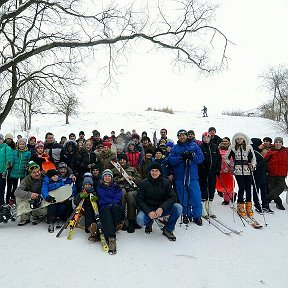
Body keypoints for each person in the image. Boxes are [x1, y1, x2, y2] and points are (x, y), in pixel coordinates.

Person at [136, 162, 182, 241]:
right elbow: (139, 200)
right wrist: (148, 212)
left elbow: (173, 197)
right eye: (152, 170)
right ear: (150, 172)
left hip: (161, 209)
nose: (154, 173)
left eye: (156, 170)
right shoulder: (144, 183)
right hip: (149, 209)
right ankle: (149, 223)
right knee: (140, 220)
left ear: (160, 172)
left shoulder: (166, 182)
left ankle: (168, 229)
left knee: (178, 207)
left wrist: (162, 208)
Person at [168, 129, 204, 226]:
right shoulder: (175, 148)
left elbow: (201, 158)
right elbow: (171, 160)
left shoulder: (194, 146)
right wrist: (180, 158)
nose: (182, 137)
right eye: (180, 135)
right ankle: (186, 215)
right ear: (178, 137)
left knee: (196, 196)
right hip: (180, 176)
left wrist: (193, 156)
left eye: (183, 135)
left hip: (192, 176)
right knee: (183, 197)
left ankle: (197, 216)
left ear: (187, 136)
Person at [225, 132, 256, 217]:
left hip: (248, 170)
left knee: (249, 188)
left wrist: (252, 165)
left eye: (241, 139)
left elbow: (253, 158)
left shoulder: (249, 147)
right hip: (238, 170)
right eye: (237, 139)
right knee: (241, 187)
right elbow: (226, 157)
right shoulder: (232, 147)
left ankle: (249, 207)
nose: (239, 140)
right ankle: (240, 205)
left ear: (244, 139)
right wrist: (231, 164)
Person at [112, 154, 142, 233]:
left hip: (131, 189)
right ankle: (121, 219)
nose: (122, 161)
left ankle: (131, 220)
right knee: (122, 193)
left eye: (124, 159)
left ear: (126, 160)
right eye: (120, 160)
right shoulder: (114, 170)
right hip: (120, 188)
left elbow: (140, 180)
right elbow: (110, 180)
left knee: (131, 196)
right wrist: (119, 180)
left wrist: (133, 179)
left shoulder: (132, 169)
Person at [96, 169, 123, 255]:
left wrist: (112, 203)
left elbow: (117, 197)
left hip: (115, 206)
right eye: (105, 176)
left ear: (111, 177)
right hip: (104, 207)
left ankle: (108, 228)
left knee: (114, 209)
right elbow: (101, 198)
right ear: (103, 177)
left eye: (109, 176)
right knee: (106, 210)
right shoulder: (99, 187)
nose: (107, 177)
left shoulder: (116, 187)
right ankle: (111, 238)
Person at [15, 161, 47, 226]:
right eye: (34, 173)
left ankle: (35, 214)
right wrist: (30, 195)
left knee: (44, 211)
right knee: (19, 196)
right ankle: (25, 218)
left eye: (38, 171)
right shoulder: (26, 180)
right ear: (30, 174)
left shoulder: (45, 177)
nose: (37, 174)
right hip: (30, 199)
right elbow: (17, 191)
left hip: (41, 199)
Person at [198, 132, 221, 218]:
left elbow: (219, 158)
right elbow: (200, 159)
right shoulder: (200, 147)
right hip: (204, 172)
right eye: (204, 138)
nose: (206, 139)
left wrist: (218, 169)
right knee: (204, 189)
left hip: (213, 172)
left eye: (207, 138)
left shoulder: (214, 146)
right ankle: (203, 209)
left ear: (210, 138)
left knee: (211, 189)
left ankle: (209, 208)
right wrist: (202, 168)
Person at [264, 137, 288, 210]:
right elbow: (264, 161)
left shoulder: (286, 152)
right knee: (272, 189)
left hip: (282, 173)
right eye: (276, 142)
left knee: (281, 187)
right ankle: (279, 203)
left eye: (279, 142)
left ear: (282, 143)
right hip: (271, 173)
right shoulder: (270, 152)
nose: (278, 143)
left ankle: (266, 200)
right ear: (274, 143)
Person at [250, 138, 273, 213]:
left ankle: (265, 206)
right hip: (256, 175)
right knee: (256, 191)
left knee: (264, 191)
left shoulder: (260, 152)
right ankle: (257, 205)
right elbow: (254, 164)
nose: (262, 145)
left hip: (263, 175)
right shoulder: (253, 153)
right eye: (260, 144)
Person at [73, 176, 98, 241]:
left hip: (94, 210)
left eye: (89, 185)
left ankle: (96, 229)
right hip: (84, 210)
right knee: (88, 215)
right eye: (86, 184)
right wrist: (80, 197)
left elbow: (99, 202)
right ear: (84, 185)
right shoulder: (81, 193)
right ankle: (91, 229)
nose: (87, 186)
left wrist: (96, 199)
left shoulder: (94, 193)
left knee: (95, 216)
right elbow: (75, 202)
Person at [8, 138, 31, 204]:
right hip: (14, 172)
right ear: (18, 145)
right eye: (20, 144)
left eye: (23, 144)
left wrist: (27, 166)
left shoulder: (28, 153)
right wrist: (10, 164)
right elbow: (12, 160)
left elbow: (29, 161)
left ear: (25, 145)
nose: (22, 145)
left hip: (23, 173)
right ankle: (12, 198)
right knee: (14, 187)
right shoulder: (14, 152)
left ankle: (20, 199)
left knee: (22, 187)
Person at [215, 137, 236, 205]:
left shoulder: (232, 149)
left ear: (229, 142)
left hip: (228, 171)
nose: (224, 142)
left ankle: (226, 199)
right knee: (220, 186)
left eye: (226, 141)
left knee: (228, 186)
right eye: (223, 141)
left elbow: (233, 160)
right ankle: (232, 195)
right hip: (220, 170)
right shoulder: (218, 149)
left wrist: (230, 168)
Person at [0, 134, 13, 206]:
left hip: (2, 172)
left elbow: (9, 161)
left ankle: (1, 205)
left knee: (1, 189)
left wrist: (5, 171)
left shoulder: (6, 148)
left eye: (0, 139)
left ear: (2, 140)